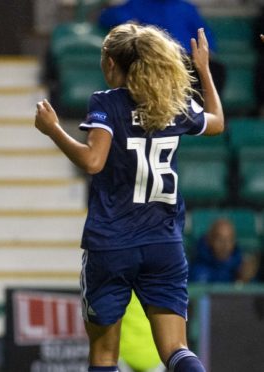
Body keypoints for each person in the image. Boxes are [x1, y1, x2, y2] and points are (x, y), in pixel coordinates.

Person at [34, 24, 224, 372]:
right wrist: (204, 70)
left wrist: (53, 130)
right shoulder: (171, 104)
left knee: (105, 355)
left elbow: (93, 161)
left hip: (112, 243)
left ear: (110, 62)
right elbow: (217, 123)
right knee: (177, 350)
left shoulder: (107, 103)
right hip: (163, 243)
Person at [98, 0, 226, 96]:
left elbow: (205, 37)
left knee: (215, 68)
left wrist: (206, 52)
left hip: (186, 60)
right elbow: (107, 16)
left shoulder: (185, 8)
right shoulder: (137, 4)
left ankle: (200, 116)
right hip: (155, 60)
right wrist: (128, 21)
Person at [189, 218, 259, 284]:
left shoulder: (241, 266)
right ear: (210, 240)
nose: (225, 245)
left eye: (229, 239)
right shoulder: (198, 270)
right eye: (220, 239)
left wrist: (245, 281)